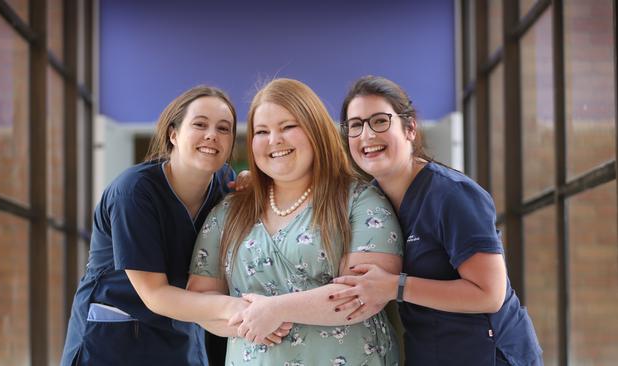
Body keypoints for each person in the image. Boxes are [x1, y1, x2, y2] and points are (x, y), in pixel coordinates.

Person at [329, 75, 543, 365]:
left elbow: (490, 294)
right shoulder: (370, 200)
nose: (367, 135)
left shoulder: (452, 195)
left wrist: (395, 286)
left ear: (410, 128)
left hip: (488, 354)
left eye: (380, 121)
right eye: (356, 125)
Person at [188, 78, 404, 365]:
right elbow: (200, 296)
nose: (274, 140)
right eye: (262, 131)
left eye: (288, 127)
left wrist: (275, 310)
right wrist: (246, 317)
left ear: (316, 130)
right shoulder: (229, 211)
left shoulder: (361, 201)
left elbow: (362, 296)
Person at [60, 86, 281, 366]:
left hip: (179, 336)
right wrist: (236, 308)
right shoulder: (134, 192)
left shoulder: (226, 184)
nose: (212, 134)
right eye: (200, 124)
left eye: (223, 128)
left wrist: (254, 183)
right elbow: (155, 294)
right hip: (112, 340)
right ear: (173, 134)